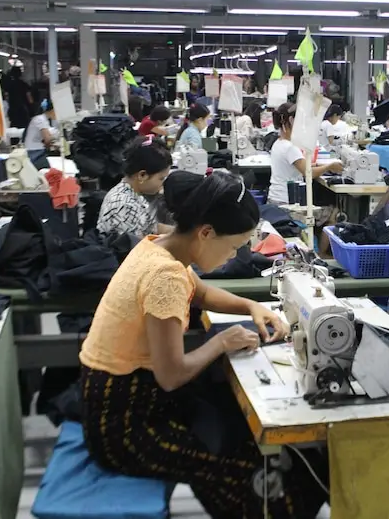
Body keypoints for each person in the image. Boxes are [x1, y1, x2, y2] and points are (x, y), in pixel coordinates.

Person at [80, 169, 326, 518]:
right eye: (234, 247)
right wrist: (222, 341)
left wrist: (250, 306)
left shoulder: (159, 249)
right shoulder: (165, 277)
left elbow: (202, 292)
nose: (234, 256)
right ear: (206, 232)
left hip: (127, 396)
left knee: (236, 433)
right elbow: (171, 375)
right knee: (239, 463)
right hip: (124, 426)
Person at [97, 135, 174, 236]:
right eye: (161, 178)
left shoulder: (135, 194)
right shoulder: (123, 207)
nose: (163, 184)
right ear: (142, 175)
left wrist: (182, 233)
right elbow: (138, 249)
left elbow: (152, 227)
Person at [267, 103, 343, 205]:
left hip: (275, 198)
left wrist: (320, 165)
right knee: (333, 212)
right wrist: (329, 166)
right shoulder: (290, 147)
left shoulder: (278, 143)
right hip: (286, 202)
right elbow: (309, 173)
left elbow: (298, 166)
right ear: (291, 120)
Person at [23, 99, 57, 170]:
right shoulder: (40, 119)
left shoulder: (43, 119)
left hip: (37, 150)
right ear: (53, 110)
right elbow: (47, 138)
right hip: (34, 152)